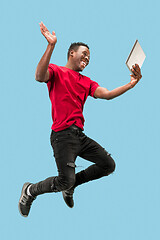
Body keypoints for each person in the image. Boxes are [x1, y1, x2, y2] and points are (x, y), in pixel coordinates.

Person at [18, 22, 142, 217]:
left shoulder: (87, 82)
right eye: (84, 54)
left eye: (90, 57)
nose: (87, 58)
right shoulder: (57, 72)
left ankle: (71, 185)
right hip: (62, 136)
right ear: (71, 54)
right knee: (63, 180)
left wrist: (131, 84)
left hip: (79, 136)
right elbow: (39, 76)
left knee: (108, 165)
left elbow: (107, 94)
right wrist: (51, 45)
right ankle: (29, 191)